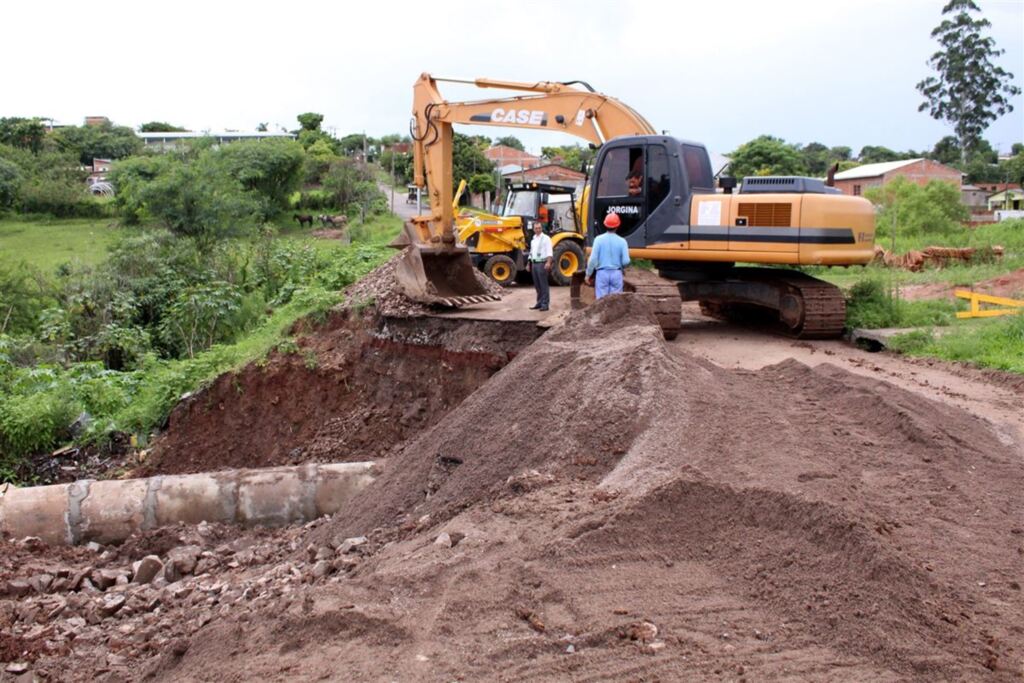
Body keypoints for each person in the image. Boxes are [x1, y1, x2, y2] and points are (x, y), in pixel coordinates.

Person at [585, 212, 630, 298]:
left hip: (602, 274)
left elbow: (593, 259)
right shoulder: (622, 241)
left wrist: (588, 275)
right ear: (618, 226)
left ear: (605, 224)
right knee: (616, 302)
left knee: (601, 302)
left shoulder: (598, 240)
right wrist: (622, 267)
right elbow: (626, 261)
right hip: (617, 273)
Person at [526, 220, 553, 311]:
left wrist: (548, 262)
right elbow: (531, 252)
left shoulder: (546, 238)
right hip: (534, 263)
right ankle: (539, 302)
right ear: (534, 229)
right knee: (537, 285)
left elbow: (549, 251)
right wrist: (528, 263)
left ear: (541, 228)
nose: (538, 230)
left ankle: (545, 304)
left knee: (543, 284)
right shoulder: (533, 239)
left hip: (542, 263)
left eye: (539, 228)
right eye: (536, 228)